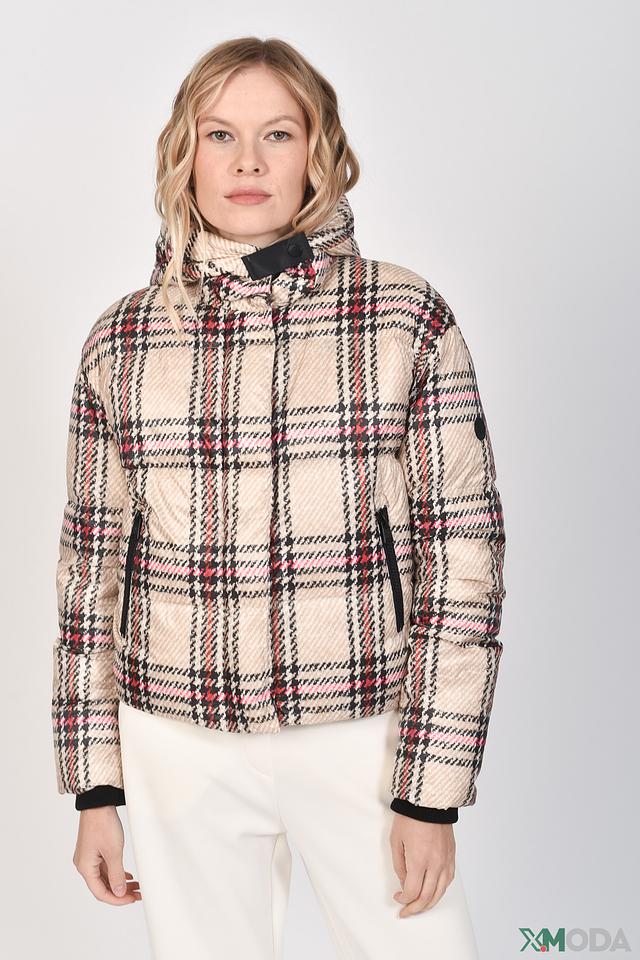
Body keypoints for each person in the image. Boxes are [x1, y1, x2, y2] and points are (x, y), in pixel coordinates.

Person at [52, 36, 506, 959]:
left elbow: (465, 557)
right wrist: (96, 788)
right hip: (175, 736)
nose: (249, 162)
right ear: (184, 153)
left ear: (319, 151)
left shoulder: (404, 318)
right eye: (220, 134)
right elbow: (88, 573)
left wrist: (431, 791)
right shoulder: (123, 340)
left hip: (362, 729)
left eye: (278, 134)